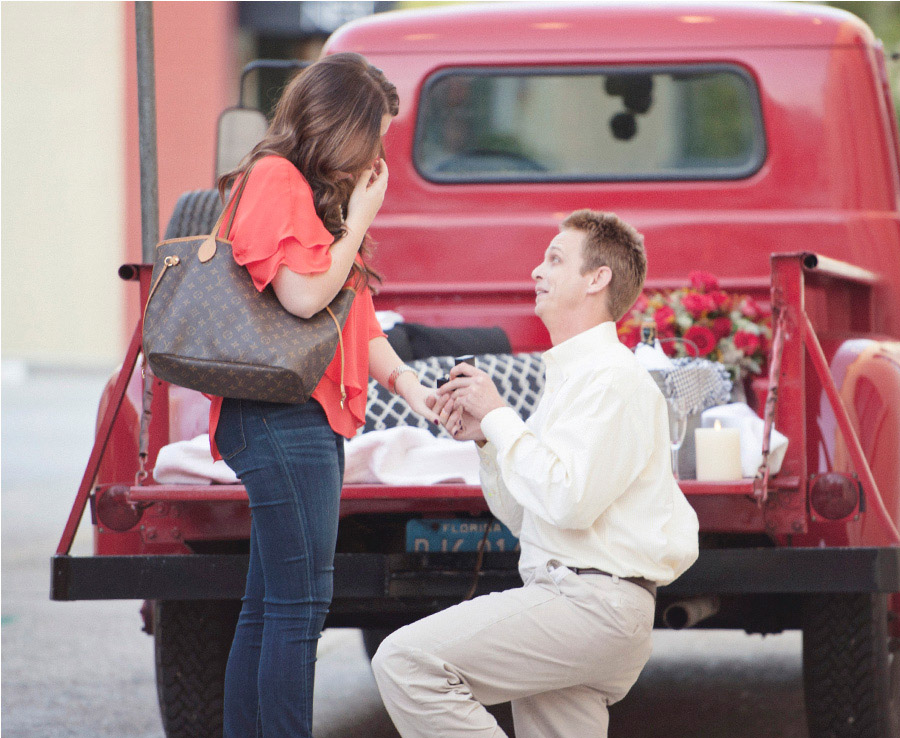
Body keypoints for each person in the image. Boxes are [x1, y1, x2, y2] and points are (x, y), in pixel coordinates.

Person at [371, 210, 700, 738]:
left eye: (554, 259)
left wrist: (500, 416)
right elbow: (529, 516)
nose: (536, 272)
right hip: (586, 602)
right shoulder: (573, 378)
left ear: (597, 279)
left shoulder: (613, 379)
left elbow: (569, 500)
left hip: (589, 605)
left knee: (407, 663)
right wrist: (485, 438)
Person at [209, 53, 439, 738]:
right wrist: (363, 216)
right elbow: (306, 297)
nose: (378, 157)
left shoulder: (308, 195)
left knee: (269, 604)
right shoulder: (274, 179)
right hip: (280, 415)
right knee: (299, 607)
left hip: (300, 416)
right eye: (376, 137)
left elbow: (353, 317)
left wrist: (410, 385)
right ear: (342, 127)